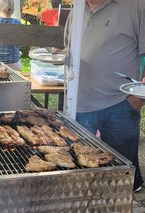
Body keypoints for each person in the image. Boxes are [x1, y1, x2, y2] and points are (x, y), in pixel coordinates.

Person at [64, 0, 145, 192]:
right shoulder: (76, 9)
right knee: (82, 170)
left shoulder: (136, 6)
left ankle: (130, 193)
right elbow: (69, 49)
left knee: (122, 174)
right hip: (79, 104)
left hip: (119, 104)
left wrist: (136, 100)